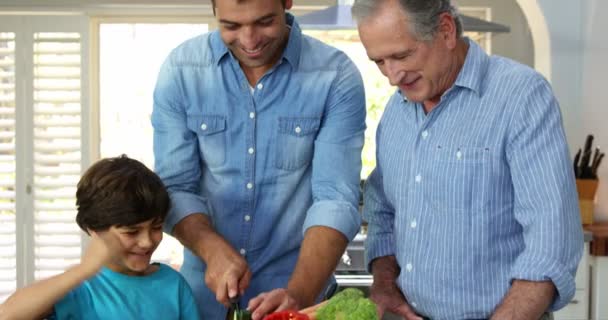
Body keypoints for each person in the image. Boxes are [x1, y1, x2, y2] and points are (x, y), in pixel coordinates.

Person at [351, 0, 584, 319]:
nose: (392, 76)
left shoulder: (521, 96)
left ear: (446, 30)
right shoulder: (396, 111)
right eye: (379, 61)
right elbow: (382, 210)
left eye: (402, 55)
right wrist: (385, 283)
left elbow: (551, 242)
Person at [151, 0, 366, 319]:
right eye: (231, 26)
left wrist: (298, 295)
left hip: (301, 295)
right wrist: (212, 250)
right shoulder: (182, 70)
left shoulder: (335, 75)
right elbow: (175, 188)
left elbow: (335, 198)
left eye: (264, 22)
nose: (250, 41)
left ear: (287, 2)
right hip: (203, 302)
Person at [0, 155, 200, 320]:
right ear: (94, 228)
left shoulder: (173, 284)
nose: (147, 241)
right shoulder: (79, 288)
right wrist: (84, 270)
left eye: (156, 227)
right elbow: (8, 315)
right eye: (131, 232)